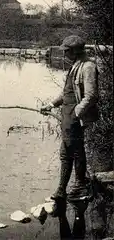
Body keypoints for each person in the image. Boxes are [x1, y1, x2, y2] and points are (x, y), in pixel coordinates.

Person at [40, 35, 99, 200]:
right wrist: (51, 105)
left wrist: (76, 113)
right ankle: (66, 189)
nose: (65, 54)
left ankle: (77, 187)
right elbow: (66, 93)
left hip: (73, 116)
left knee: (71, 152)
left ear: (75, 51)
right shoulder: (76, 65)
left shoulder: (88, 67)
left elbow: (91, 95)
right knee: (70, 150)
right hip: (68, 114)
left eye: (67, 51)